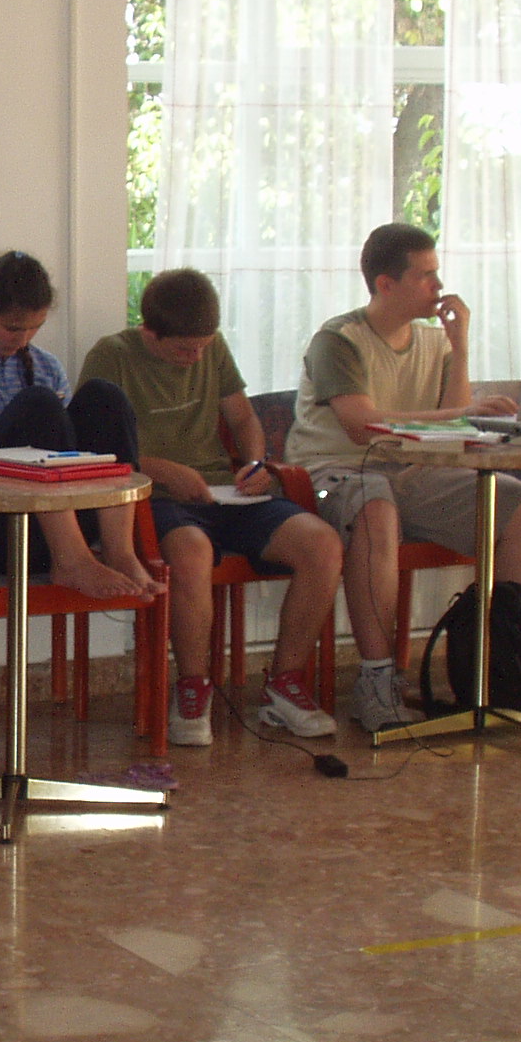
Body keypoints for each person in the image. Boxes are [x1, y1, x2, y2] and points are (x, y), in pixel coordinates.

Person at [285, 223, 521, 732]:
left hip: (414, 470)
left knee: (520, 506)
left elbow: (456, 419)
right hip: (336, 470)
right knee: (376, 509)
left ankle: (505, 666)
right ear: (386, 284)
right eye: (426, 276)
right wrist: (460, 414)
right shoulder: (338, 340)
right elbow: (361, 426)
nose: (438, 285)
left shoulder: (433, 341)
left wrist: (460, 347)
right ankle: (378, 680)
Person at [79, 268, 342, 745]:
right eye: (184, 350)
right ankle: (193, 686)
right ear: (149, 332)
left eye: (203, 346)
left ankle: (284, 683)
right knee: (191, 552)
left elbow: (242, 418)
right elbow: (96, 448)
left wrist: (255, 463)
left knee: (322, 544)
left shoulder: (212, 347)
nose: (195, 357)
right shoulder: (111, 356)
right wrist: (164, 470)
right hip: (154, 499)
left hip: (224, 491)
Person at [0, 249, 164, 600]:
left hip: (49, 527)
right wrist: (1, 435)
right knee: (38, 404)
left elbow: (68, 452)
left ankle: (119, 551)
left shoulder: (46, 365)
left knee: (104, 396)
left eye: (34, 328)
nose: (23, 339)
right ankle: (71, 560)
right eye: (12, 328)